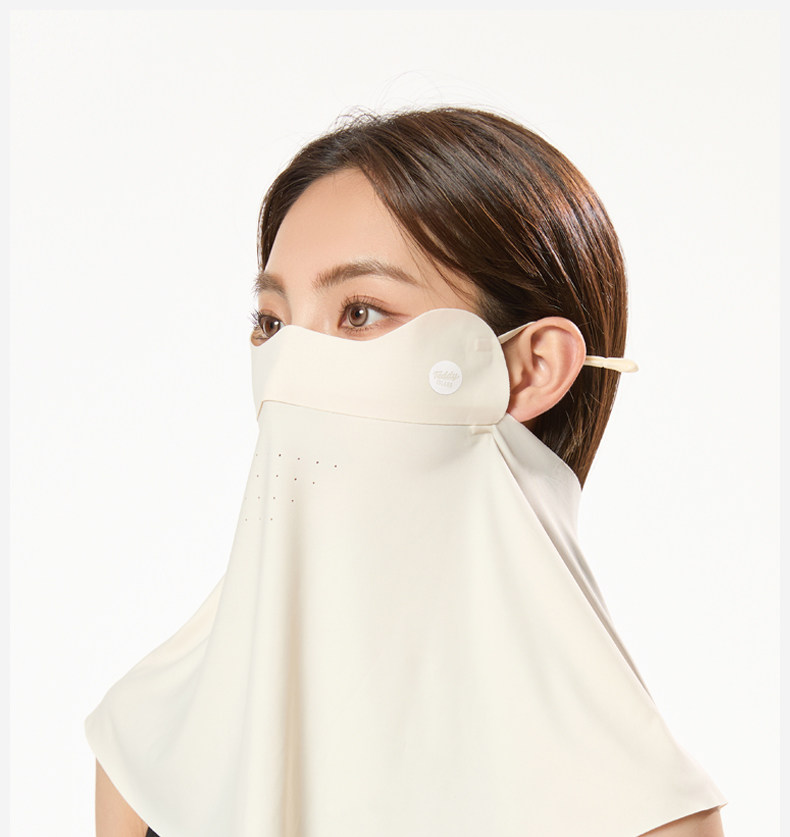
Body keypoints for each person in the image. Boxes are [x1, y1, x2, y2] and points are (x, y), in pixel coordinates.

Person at [88, 106, 727, 836]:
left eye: (360, 312)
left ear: (532, 367)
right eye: (271, 322)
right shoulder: (150, 751)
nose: (290, 366)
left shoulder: (644, 815)